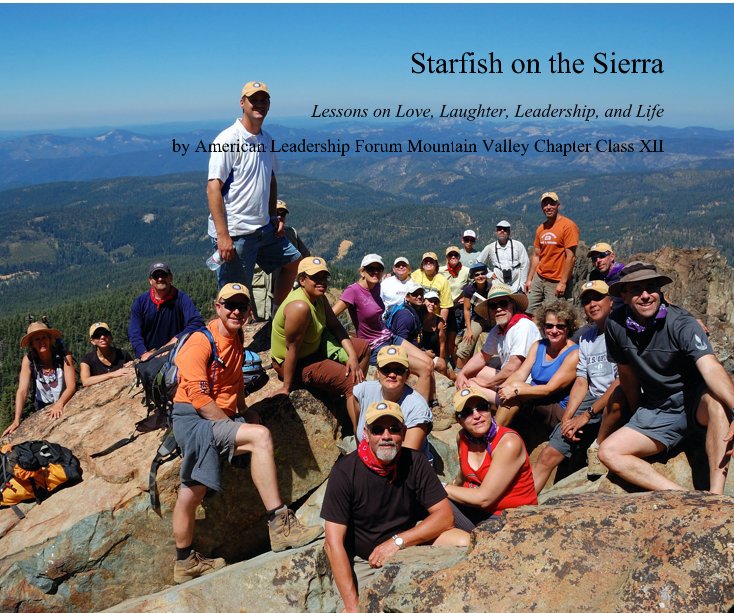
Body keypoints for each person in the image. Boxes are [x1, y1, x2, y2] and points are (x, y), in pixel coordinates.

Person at [171, 283, 322, 584]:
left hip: (214, 416)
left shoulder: (236, 338)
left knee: (193, 491)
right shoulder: (201, 342)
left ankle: (184, 561)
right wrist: (235, 426)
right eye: (230, 305)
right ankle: (280, 525)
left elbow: (234, 381)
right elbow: (200, 399)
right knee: (260, 437)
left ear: (249, 311)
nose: (236, 311)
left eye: (242, 306)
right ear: (217, 306)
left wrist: (243, 410)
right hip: (194, 418)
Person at [598, 262, 734, 495]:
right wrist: (635, 413)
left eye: (651, 288)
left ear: (660, 291)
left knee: (716, 403)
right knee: (608, 452)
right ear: (624, 295)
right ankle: (681, 495)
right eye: (636, 290)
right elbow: (627, 373)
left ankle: (716, 496)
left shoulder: (682, 323)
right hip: (659, 409)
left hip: (694, 403)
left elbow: (710, 367)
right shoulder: (615, 325)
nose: (645, 296)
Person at [321, 401, 468, 611]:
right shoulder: (344, 473)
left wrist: (397, 542)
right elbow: (333, 544)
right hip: (366, 559)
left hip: (410, 542)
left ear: (404, 432)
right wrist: (353, 607)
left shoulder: (416, 462)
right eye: (378, 430)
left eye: (394, 429)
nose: (386, 436)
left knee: (465, 543)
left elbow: (445, 517)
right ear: (366, 433)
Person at [206, 81, 300, 311]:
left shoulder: (267, 140)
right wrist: (223, 236)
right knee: (235, 298)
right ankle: (231, 343)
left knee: (294, 262)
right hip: (237, 234)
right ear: (242, 103)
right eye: (253, 100)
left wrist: (273, 217)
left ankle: (276, 316)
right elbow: (213, 188)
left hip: (262, 229)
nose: (259, 104)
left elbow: (271, 178)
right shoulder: (228, 139)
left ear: (269, 105)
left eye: (263, 100)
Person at [532, 281, 625, 492]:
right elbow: (582, 380)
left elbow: (621, 381)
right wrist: (568, 417)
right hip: (594, 397)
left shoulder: (621, 331)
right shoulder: (587, 338)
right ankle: (520, 505)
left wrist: (586, 416)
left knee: (617, 400)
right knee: (549, 454)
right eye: (586, 300)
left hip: (618, 399)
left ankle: (599, 444)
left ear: (611, 301)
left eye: (597, 298)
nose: (592, 304)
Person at [270, 257, 370, 422]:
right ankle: (360, 433)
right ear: (302, 280)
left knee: (363, 348)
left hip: (314, 347)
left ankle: (351, 400)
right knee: (352, 384)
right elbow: (292, 349)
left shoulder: (318, 297)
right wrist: (286, 387)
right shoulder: (299, 307)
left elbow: (336, 326)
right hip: (297, 362)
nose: (322, 282)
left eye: (324, 277)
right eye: (315, 277)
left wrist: (352, 356)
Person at [333, 254, 434, 403]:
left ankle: (432, 401)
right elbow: (332, 315)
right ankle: (420, 415)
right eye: (370, 269)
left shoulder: (378, 286)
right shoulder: (353, 291)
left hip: (389, 336)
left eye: (378, 268)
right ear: (362, 271)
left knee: (429, 362)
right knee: (423, 369)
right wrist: (343, 338)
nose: (375, 272)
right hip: (375, 346)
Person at [445, 387, 537, 530]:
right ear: (459, 420)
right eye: (467, 412)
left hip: (510, 518)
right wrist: (453, 485)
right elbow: (462, 476)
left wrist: (442, 488)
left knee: (435, 498)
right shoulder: (462, 437)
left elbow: (484, 498)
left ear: (490, 410)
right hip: (478, 511)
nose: (477, 415)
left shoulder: (508, 442)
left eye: (481, 408)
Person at [496, 300, 580, 428]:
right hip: (534, 397)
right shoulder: (538, 345)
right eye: (549, 326)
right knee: (508, 390)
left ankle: (493, 436)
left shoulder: (573, 354)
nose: (554, 330)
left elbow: (549, 389)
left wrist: (516, 390)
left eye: (560, 326)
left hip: (556, 406)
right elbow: (521, 373)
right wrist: (505, 387)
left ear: (569, 328)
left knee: (514, 396)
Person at [455, 283, 541, 403]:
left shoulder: (523, 326)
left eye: (503, 303)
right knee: (470, 375)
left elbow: (514, 367)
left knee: (470, 386)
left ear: (513, 305)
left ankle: (502, 406)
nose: (499, 308)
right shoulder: (498, 329)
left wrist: (486, 383)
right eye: (493, 306)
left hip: (526, 384)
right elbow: (482, 356)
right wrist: (462, 373)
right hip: (511, 378)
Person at [350, 345, 433, 457]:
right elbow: (358, 434)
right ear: (378, 372)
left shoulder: (417, 407)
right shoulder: (362, 393)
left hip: (404, 468)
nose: (392, 375)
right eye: (386, 369)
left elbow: (407, 456)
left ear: (407, 374)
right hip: (369, 461)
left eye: (399, 370)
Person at [2, 322, 77, 437]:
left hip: (66, 401)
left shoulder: (64, 356)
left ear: (50, 339)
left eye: (44, 338)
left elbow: (71, 386)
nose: (41, 342)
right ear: (32, 344)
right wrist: (17, 419)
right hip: (42, 407)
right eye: (37, 339)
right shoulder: (29, 360)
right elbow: (22, 391)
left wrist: (59, 404)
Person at [128, 262, 205, 360]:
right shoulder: (140, 303)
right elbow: (134, 332)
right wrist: (143, 353)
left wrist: (176, 340)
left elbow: (197, 322)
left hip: (177, 353)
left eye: (163, 275)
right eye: (156, 276)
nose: (160, 279)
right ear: (150, 280)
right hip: (150, 356)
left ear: (170, 277)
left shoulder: (181, 298)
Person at [250, 199, 311, 320]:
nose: (279, 216)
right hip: (259, 306)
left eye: (282, 214)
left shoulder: (292, 234)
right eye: (276, 212)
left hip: (285, 302)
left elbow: (307, 261)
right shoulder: (253, 234)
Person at [524, 192, 579, 315]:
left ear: (558, 205)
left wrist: (563, 282)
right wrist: (529, 280)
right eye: (545, 204)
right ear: (542, 207)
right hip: (539, 277)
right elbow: (537, 255)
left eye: (552, 203)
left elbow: (570, 257)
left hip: (556, 281)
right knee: (527, 309)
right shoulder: (541, 228)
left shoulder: (568, 226)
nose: (548, 207)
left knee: (553, 314)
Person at [411, 252, 453, 358]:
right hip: (418, 316)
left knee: (435, 345)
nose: (428, 262)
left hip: (434, 318)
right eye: (426, 261)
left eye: (431, 261)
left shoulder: (442, 280)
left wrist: (441, 322)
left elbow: (445, 305)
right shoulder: (416, 274)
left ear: (436, 264)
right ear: (422, 264)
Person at [455, 262, 493, 371]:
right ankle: (458, 370)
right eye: (477, 275)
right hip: (479, 319)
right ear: (473, 277)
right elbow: (466, 309)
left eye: (482, 274)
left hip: (493, 318)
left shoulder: (491, 287)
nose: (480, 276)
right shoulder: (469, 290)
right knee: (467, 341)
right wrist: (469, 329)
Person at [478, 220, 529, 293]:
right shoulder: (490, 247)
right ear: (496, 232)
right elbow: (479, 262)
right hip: (498, 285)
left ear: (509, 232)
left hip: (516, 284)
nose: (502, 231)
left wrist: (522, 284)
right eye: (499, 229)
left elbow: (525, 264)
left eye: (505, 229)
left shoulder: (518, 245)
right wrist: (489, 274)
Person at [439, 246, 470, 365]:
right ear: (447, 257)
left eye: (455, 255)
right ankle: (444, 357)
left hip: (457, 307)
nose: (453, 257)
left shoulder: (466, 271)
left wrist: (467, 297)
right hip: (444, 307)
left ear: (459, 257)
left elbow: (473, 285)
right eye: (450, 255)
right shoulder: (441, 270)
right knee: (442, 334)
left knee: (453, 336)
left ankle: (452, 359)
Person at [80, 322, 134, 387]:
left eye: (105, 333)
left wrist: (131, 365)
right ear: (92, 341)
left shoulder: (123, 354)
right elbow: (85, 381)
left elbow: (133, 370)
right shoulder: (87, 359)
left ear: (110, 337)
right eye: (97, 335)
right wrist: (112, 374)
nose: (102, 337)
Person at [385, 281, 425, 346]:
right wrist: (424, 353)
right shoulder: (405, 316)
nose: (419, 296)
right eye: (415, 294)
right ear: (407, 297)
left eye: (421, 294)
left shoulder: (416, 312)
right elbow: (401, 343)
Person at [420, 291, 449, 376]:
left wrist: (441, 359)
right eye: (430, 300)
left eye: (435, 302)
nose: (432, 304)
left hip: (434, 355)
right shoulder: (417, 317)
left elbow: (442, 343)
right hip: (420, 353)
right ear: (424, 301)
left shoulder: (439, 321)